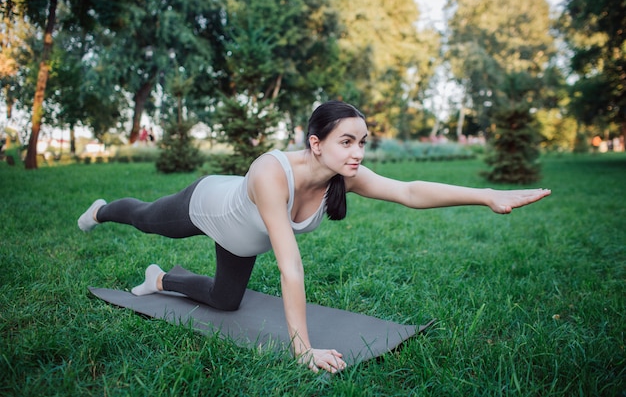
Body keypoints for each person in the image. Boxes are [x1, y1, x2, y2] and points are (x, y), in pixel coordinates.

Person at [78, 100, 551, 373]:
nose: (358, 152)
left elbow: (408, 190)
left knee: (226, 302)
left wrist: (485, 194)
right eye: (348, 141)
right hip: (206, 207)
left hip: (241, 240)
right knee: (141, 217)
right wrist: (302, 349)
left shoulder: (342, 174)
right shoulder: (271, 172)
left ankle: (160, 281)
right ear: (315, 142)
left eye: (363, 142)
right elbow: (289, 265)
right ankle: (100, 211)